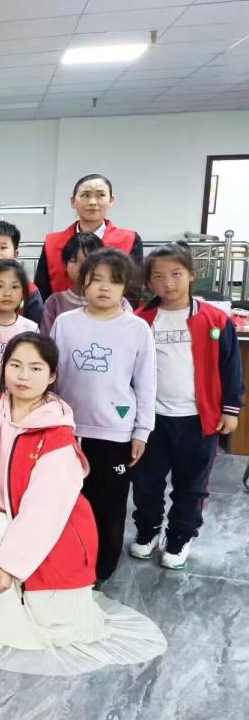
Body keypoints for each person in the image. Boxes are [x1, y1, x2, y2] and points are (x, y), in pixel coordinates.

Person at [0, 332, 166, 675]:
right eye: (15, 365)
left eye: (35, 368)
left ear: (51, 376)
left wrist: (11, 565)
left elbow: (43, 514)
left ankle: (2, 623)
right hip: (1, 525)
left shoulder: (57, 437)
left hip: (47, 542)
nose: (23, 376)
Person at [130, 244, 243, 569]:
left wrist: (230, 408)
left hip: (197, 419)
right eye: (158, 277)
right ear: (149, 282)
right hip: (151, 419)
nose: (168, 283)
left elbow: (231, 366)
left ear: (192, 275)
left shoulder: (214, 319)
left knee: (191, 486)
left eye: (176, 274)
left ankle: (179, 536)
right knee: (146, 482)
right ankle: (148, 530)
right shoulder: (140, 320)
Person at [50, 248, 155, 585]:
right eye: (96, 279)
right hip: (67, 430)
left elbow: (146, 383)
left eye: (114, 281)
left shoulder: (136, 329)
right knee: (66, 501)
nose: (104, 287)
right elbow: (52, 376)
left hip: (114, 434)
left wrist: (142, 431)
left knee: (108, 506)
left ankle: (101, 569)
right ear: (83, 283)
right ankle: (67, 562)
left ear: (126, 286)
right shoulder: (65, 324)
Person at [34, 173, 144, 300]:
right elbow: (42, 291)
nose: (92, 202)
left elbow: (133, 291)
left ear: (111, 200)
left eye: (100, 195)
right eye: (85, 195)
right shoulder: (53, 243)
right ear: (72, 201)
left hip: (114, 311)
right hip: (59, 311)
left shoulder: (129, 240)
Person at [39, 233, 134, 336]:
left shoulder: (119, 302)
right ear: (65, 265)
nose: (81, 267)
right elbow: (46, 340)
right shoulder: (55, 302)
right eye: (74, 260)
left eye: (87, 260)